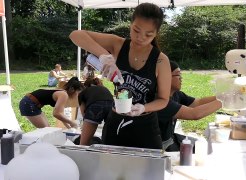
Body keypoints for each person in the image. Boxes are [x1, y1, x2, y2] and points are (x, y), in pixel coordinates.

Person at [69, 3, 171, 149]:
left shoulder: (161, 60)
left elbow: (163, 100)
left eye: (148, 34)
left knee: (146, 170)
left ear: (156, 33)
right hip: (115, 121)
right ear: (130, 24)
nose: (140, 38)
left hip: (145, 127)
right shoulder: (118, 44)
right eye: (136, 30)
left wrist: (143, 107)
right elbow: (76, 35)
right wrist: (103, 55)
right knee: (110, 168)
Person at [157, 61, 222, 151]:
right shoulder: (160, 101)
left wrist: (223, 96)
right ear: (165, 77)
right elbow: (194, 114)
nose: (181, 78)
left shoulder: (176, 94)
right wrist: (224, 101)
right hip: (160, 146)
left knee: (201, 146)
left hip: (171, 138)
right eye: (178, 75)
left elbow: (198, 102)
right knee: (199, 150)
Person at [19, 77, 84, 129]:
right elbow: (56, 114)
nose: (78, 95)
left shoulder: (63, 93)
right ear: (72, 89)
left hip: (31, 103)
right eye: (78, 93)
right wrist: (72, 122)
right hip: (28, 103)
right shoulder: (64, 95)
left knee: (48, 129)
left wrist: (69, 127)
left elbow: (61, 114)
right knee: (46, 130)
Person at [78, 77, 113, 146]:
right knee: (107, 140)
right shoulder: (104, 88)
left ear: (85, 86)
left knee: (83, 144)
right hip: (111, 104)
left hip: (95, 106)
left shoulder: (83, 92)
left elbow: (84, 115)